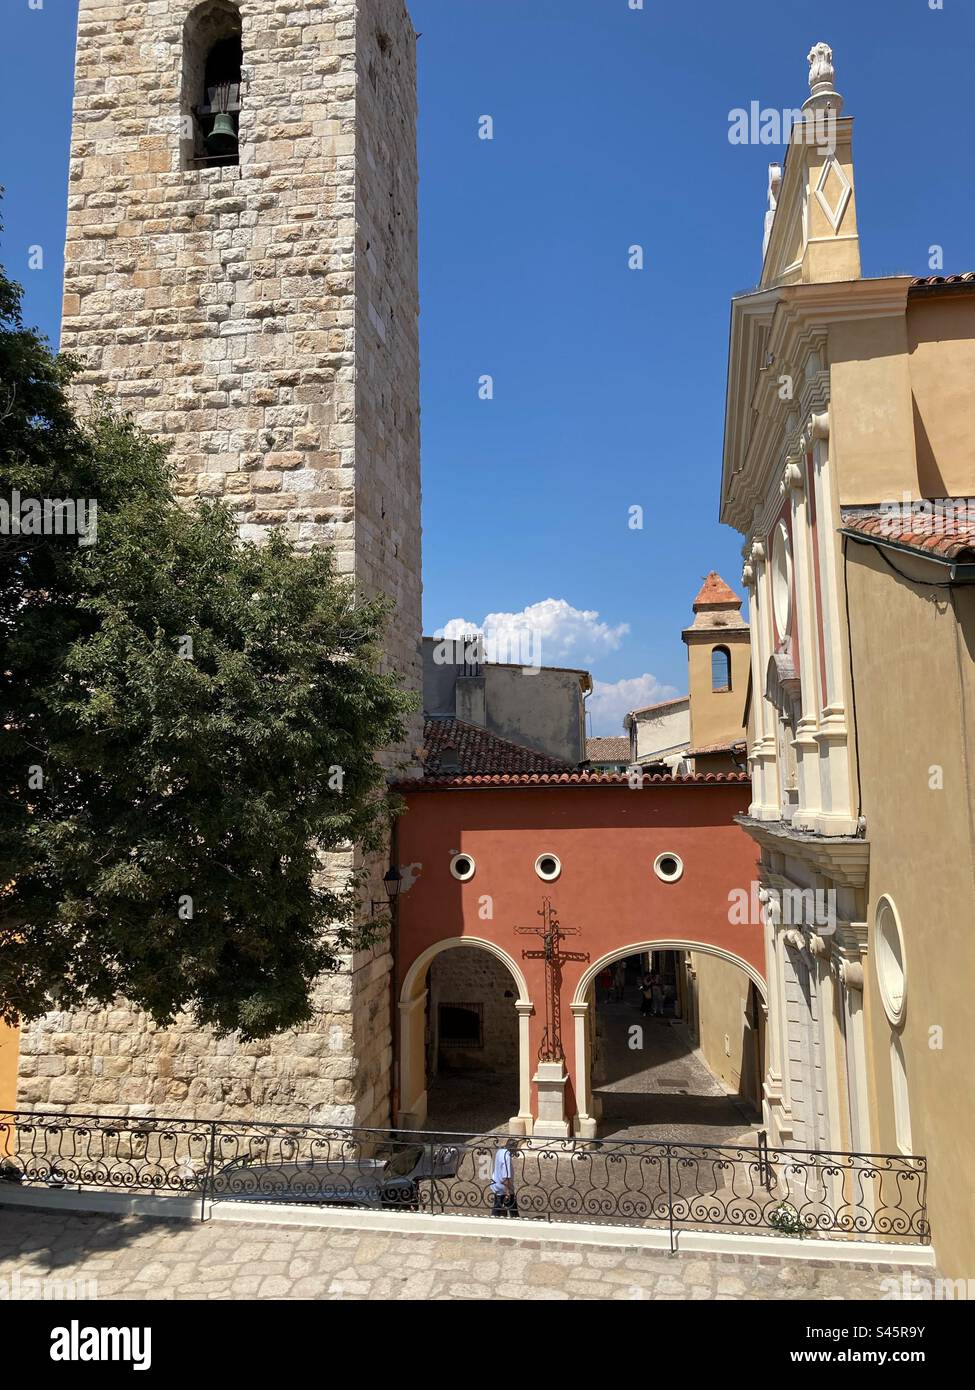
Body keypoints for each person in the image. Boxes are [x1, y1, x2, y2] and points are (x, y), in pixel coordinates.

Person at [490, 1137, 520, 1217]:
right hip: (503, 1187)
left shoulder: (500, 1151)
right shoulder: (506, 1157)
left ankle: (495, 1218)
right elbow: (505, 1177)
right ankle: (515, 1220)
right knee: (512, 1207)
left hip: (496, 1183)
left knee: (497, 1206)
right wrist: (508, 1192)